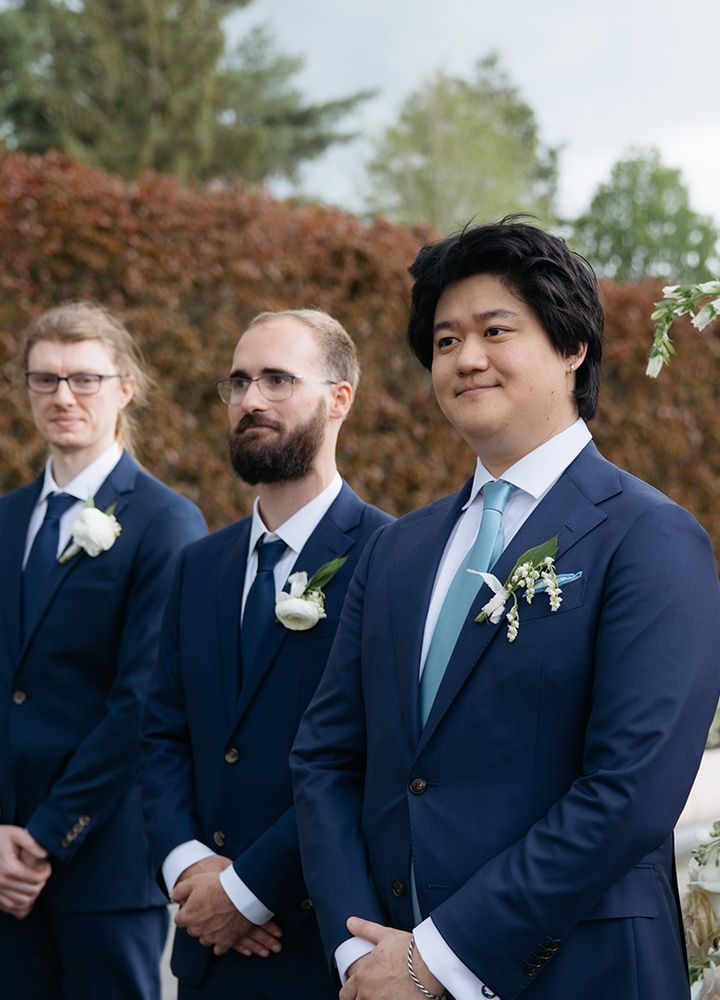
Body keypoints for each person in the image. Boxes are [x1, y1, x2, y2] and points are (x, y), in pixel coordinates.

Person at [291, 221, 720, 1000]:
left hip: (575, 973)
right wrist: (360, 952)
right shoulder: (399, 550)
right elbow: (326, 756)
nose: (466, 357)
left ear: (572, 347)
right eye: (447, 338)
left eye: (497, 330)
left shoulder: (650, 537)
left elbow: (628, 793)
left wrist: (438, 959)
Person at [142, 309, 392, 999]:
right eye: (240, 381)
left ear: (339, 398)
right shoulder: (198, 566)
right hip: (204, 953)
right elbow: (162, 733)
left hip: (320, 948)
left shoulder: (392, 558)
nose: (251, 400)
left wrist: (248, 891)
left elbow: (373, 755)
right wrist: (191, 869)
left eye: (278, 379)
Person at [0, 302, 207, 999]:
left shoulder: (166, 522)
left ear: (126, 387)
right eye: (45, 379)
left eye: (85, 379)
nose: (63, 396)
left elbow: (139, 701)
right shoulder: (2, 520)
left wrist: (46, 836)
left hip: (103, 863)